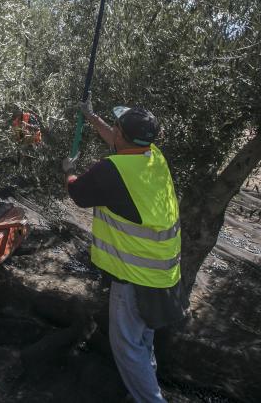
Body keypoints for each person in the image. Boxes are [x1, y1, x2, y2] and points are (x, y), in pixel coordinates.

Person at [63, 98, 185, 403]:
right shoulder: (153, 157)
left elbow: (77, 193)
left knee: (127, 347)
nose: (112, 129)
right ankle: (142, 391)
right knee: (143, 340)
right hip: (164, 275)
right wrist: (92, 118)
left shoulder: (112, 170)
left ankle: (149, 399)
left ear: (121, 134)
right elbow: (117, 141)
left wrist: (67, 172)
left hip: (134, 279)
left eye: (114, 125)